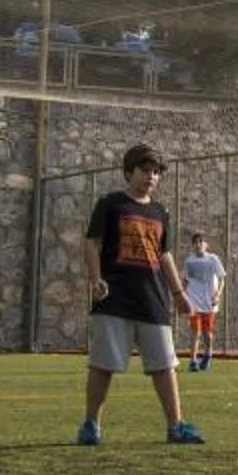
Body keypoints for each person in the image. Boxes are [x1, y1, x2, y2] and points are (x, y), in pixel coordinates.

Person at [74, 142, 204, 447]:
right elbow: (92, 244)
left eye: (157, 172)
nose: (152, 177)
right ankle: (91, 425)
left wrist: (178, 294)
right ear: (128, 172)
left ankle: (176, 426)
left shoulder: (161, 212)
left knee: (164, 364)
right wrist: (96, 279)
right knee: (103, 364)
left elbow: (165, 255)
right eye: (145, 170)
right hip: (114, 299)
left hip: (152, 300)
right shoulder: (110, 204)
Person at [180, 231, 226, 373]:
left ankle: (208, 353)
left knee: (207, 333)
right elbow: (185, 280)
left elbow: (222, 278)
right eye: (196, 242)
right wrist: (182, 298)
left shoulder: (213, 259)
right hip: (194, 301)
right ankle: (193, 361)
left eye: (201, 242)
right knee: (196, 332)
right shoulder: (189, 261)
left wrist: (217, 295)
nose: (198, 245)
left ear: (206, 245)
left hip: (209, 303)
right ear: (193, 245)